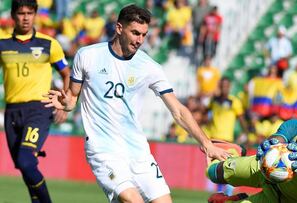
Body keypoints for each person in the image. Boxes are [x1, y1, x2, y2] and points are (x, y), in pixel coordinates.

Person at [42, 5, 229, 203]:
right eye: (135, 33)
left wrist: (206, 144)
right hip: (103, 148)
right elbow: (72, 98)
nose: (140, 40)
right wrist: (65, 103)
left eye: (144, 35)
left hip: (137, 150)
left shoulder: (149, 66)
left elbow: (179, 111)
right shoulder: (87, 56)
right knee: (133, 200)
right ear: (119, 28)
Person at [0, 0, 70, 202]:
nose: (25, 17)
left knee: (26, 161)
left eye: (30, 13)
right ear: (13, 15)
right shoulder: (3, 44)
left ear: (36, 14)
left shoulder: (49, 44)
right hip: (12, 112)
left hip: (39, 109)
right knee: (25, 167)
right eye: (21, 13)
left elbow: (66, 74)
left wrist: (64, 103)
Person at [206, 102, 297, 203]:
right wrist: (270, 144)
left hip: (288, 200)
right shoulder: (296, 126)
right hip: (265, 170)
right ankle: (235, 152)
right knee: (212, 173)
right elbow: (277, 138)